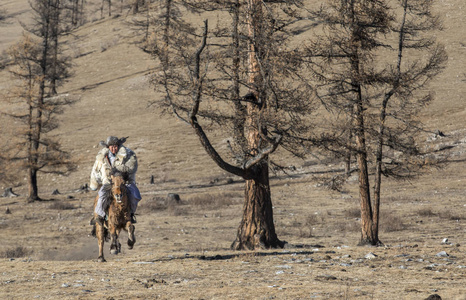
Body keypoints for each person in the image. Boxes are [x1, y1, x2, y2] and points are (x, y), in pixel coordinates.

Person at [90, 136, 141, 225]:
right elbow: (96, 170)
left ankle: (131, 214)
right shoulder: (102, 157)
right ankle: (99, 216)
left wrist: (119, 169)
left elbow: (132, 167)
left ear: (119, 145)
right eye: (111, 146)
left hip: (125, 182)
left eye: (115, 146)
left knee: (135, 195)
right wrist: (95, 182)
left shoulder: (129, 154)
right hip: (108, 182)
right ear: (108, 147)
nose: (114, 148)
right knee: (101, 195)